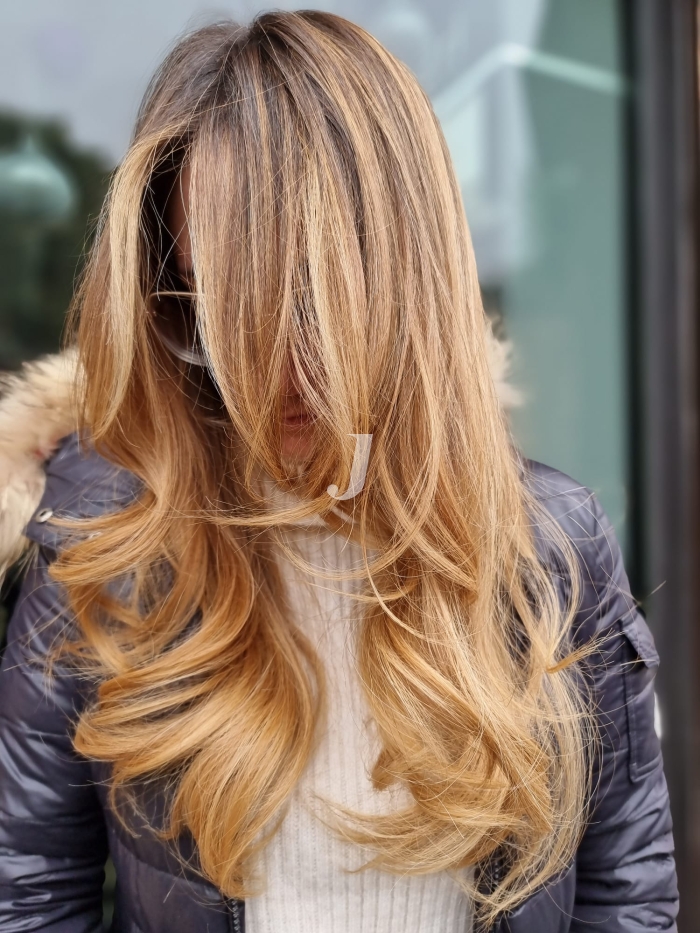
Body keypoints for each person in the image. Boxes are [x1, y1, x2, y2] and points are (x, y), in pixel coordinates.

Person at [0, 10, 678, 933]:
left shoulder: (554, 546)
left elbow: (624, 889)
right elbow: (29, 892)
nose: (261, 373)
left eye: (307, 307)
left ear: (408, 283)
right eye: (206, 312)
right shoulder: (101, 547)